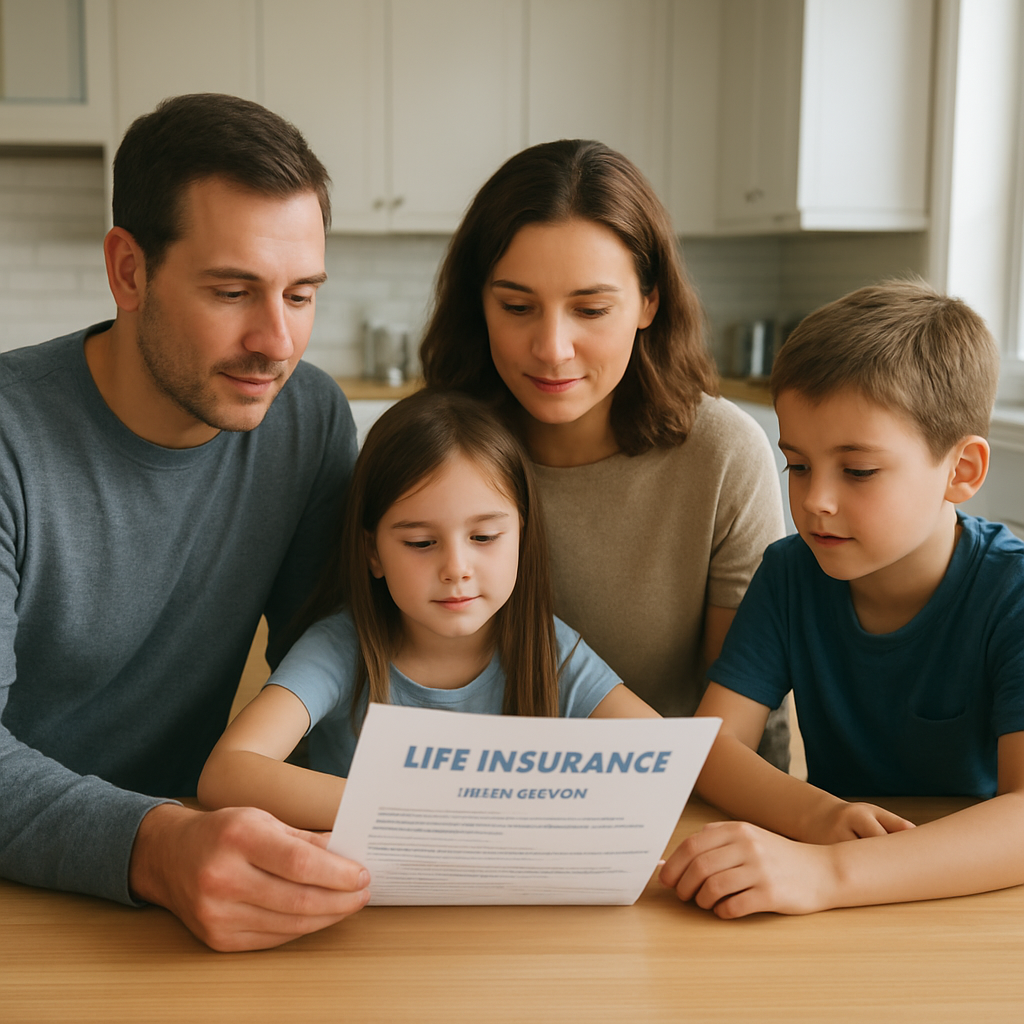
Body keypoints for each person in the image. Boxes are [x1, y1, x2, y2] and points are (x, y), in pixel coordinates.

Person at [0, 93, 372, 951]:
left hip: (205, 877)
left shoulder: (308, 420)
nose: (277, 342)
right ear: (128, 271)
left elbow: (325, 668)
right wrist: (158, 846)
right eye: (233, 291)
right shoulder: (12, 440)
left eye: (302, 294)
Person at [660, 280, 1024, 916]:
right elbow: (712, 748)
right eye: (798, 466)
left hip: (969, 898)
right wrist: (819, 817)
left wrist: (828, 872)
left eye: (858, 471)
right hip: (835, 895)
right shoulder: (789, 574)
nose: (815, 501)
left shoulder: (1011, 592)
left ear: (961, 470)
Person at [419, 139, 789, 765]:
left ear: (649, 301)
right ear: (478, 302)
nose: (552, 348)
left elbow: (743, 717)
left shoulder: (723, 454)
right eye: (516, 307)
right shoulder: (431, 451)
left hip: (677, 791)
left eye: (590, 309)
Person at [198, 390, 659, 829]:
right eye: (421, 542)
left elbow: (663, 760)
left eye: (484, 537)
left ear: (522, 535)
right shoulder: (340, 649)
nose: (456, 569)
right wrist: (422, 811)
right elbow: (227, 772)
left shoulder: (550, 647)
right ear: (373, 553)